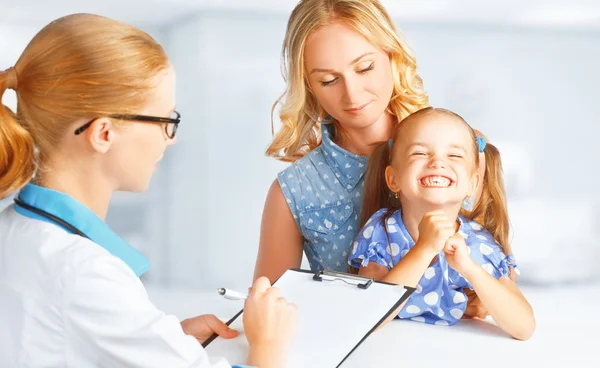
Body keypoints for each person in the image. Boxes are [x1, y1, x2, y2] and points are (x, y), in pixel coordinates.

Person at [0, 14, 296, 368]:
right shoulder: (85, 272)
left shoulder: (18, 232)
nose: (172, 139)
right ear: (103, 133)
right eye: (167, 121)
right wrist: (268, 349)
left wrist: (161, 343)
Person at [254, 0, 497, 318]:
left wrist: (483, 298)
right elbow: (268, 310)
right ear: (308, 86)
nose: (352, 94)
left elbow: (502, 268)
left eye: (365, 68)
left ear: (393, 56)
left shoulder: (461, 150)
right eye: (328, 80)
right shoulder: (293, 191)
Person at [348, 107, 535, 340]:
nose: (437, 162)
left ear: (472, 183)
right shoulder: (383, 231)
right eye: (419, 153)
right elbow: (365, 316)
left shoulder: (479, 245)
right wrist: (424, 249)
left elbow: (524, 327)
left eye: (454, 156)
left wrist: (469, 269)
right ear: (393, 179)